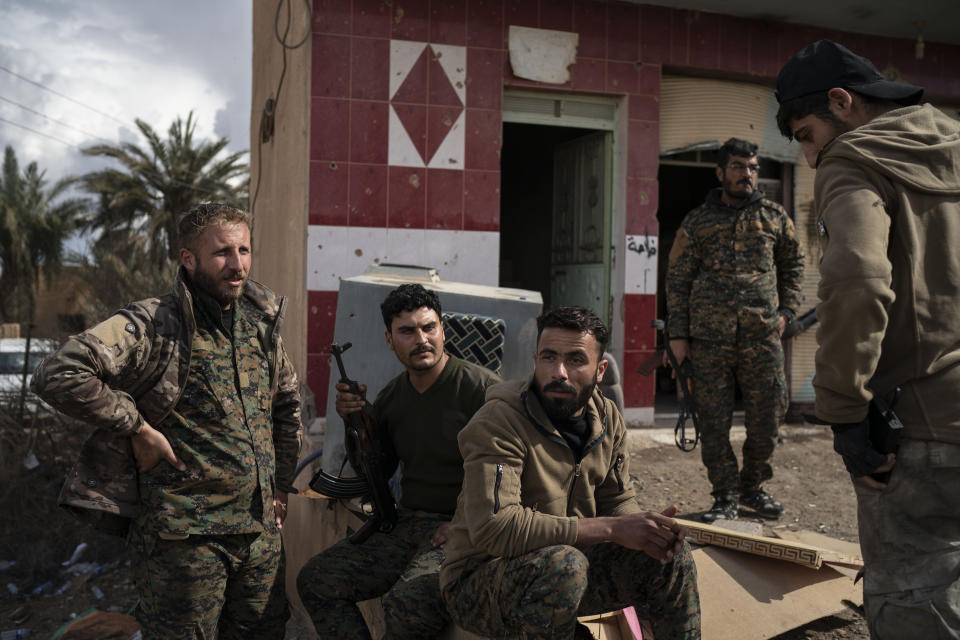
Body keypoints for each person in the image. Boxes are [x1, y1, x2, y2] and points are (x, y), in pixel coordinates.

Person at [31, 203, 303, 639]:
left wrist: (281, 486)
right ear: (188, 259)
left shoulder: (260, 327)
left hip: (258, 536)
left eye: (244, 250)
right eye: (222, 253)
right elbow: (58, 373)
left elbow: (287, 406)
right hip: (184, 539)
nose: (237, 265)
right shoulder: (155, 323)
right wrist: (136, 427)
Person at [776, 39, 960, 637]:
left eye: (806, 134)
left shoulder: (852, 159)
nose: (807, 157)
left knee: (916, 596)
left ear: (841, 102)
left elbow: (858, 279)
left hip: (923, 426)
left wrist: (844, 410)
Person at [441, 306, 700, 640]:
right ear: (535, 360)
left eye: (576, 360)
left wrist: (646, 533)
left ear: (600, 369)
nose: (559, 372)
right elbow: (495, 528)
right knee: (565, 565)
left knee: (672, 559)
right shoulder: (500, 422)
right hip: (480, 582)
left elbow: (617, 497)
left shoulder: (606, 417)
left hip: (566, 566)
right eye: (549, 357)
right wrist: (612, 528)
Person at [296, 284, 501, 638]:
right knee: (317, 580)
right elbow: (376, 470)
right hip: (406, 525)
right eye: (407, 331)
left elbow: (513, 473)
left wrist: (468, 525)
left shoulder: (481, 390)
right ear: (390, 341)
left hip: (461, 529)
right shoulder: (392, 396)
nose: (421, 339)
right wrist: (357, 425)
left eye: (429, 327)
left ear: (442, 329)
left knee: (407, 603)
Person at [665, 137, 805, 522]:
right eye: (740, 166)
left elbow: (794, 266)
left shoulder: (775, 217)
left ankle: (753, 488)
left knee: (769, 415)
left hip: (762, 336)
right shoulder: (697, 222)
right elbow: (678, 278)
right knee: (713, 420)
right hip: (709, 339)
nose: (748, 174)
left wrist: (788, 312)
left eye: (753, 167)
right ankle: (724, 495)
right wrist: (678, 336)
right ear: (721, 172)